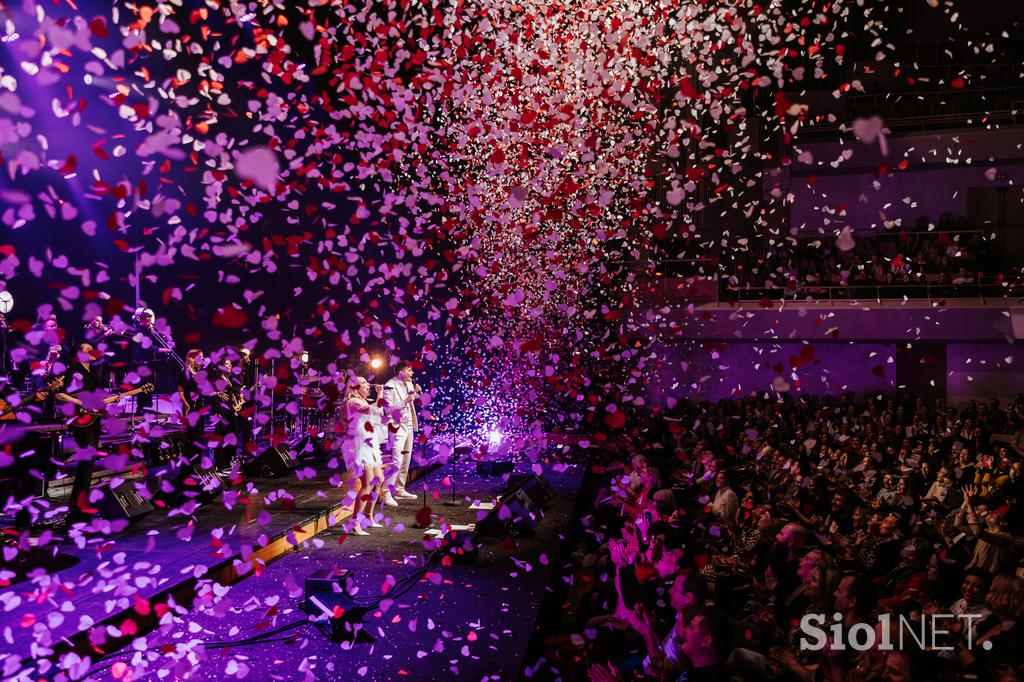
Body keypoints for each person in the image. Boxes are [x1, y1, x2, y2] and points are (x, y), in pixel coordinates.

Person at [339, 376, 385, 535]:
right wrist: (380, 395)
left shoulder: (363, 401)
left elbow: (378, 412)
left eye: (367, 382)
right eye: (364, 383)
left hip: (369, 442)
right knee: (367, 483)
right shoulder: (353, 402)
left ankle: (368, 516)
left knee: (379, 480)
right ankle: (354, 523)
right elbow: (374, 410)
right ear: (355, 387)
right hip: (359, 444)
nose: (367, 385)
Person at [382, 360, 420, 505]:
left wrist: (415, 393)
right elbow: (389, 409)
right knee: (396, 460)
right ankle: (386, 493)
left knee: (406, 460)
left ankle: (399, 488)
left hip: (408, 425)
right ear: (401, 371)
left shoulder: (408, 384)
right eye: (409, 370)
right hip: (396, 427)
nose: (412, 372)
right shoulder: (389, 386)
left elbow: (411, 401)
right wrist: (407, 399)